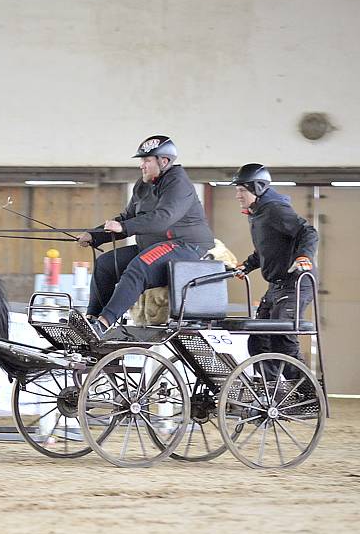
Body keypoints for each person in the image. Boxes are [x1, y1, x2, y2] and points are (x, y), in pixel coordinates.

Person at [77, 135, 215, 339]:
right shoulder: (142, 186)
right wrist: (94, 235)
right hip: (154, 245)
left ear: (164, 161)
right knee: (105, 264)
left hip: (184, 246)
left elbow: (162, 218)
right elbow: (126, 218)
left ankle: (104, 323)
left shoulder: (179, 184)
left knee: (139, 267)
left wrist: (122, 227)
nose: (142, 165)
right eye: (142, 160)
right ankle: (91, 320)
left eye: (147, 160)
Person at [231, 163, 318, 364]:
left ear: (258, 188)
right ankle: (270, 388)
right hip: (276, 285)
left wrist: (304, 256)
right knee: (258, 341)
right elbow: (267, 247)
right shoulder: (257, 212)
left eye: (242, 190)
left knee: (282, 339)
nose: (238, 195)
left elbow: (308, 232)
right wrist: (247, 266)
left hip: (295, 283)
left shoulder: (275, 209)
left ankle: (305, 391)